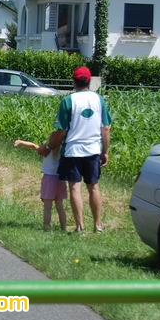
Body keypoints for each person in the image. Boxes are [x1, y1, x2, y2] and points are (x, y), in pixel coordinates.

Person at [39, 66, 111, 233]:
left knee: (75, 187)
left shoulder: (68, 101)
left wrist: (48, 147)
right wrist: (104, 151)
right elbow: (106, 128)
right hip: (93, 149)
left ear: (74, 81)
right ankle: (98, 225)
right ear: (90, 82)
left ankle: (79, 227)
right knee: (93, 186)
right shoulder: (99, 100)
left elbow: (60, 131)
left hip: (73, 150)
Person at [14, 139, 67, 231]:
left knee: (47, 206)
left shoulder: (47, 149)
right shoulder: (64, 149)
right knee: (60, 206)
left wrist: (21, 142)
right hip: (60, 178)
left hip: (49, 178)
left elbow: (35, 146)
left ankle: (46, 227)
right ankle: (64, 228)